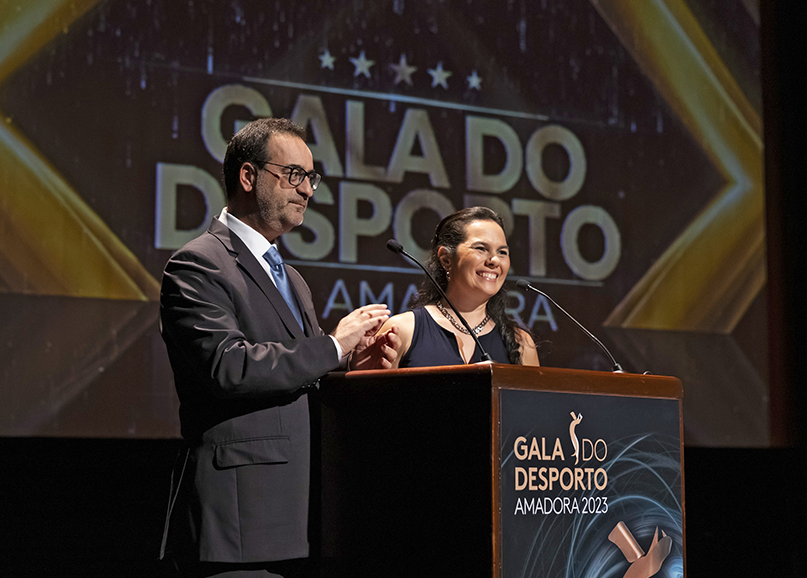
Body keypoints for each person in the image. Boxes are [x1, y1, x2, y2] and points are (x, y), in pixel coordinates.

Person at [159, 117, 397, 577]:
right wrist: (331, 346)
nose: (308, 191)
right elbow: (228, 368)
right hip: (241, 523)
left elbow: (301, 376)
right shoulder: (197, 264)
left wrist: (349, 366)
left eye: (312, 178)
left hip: (304, 518)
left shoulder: (293, 279)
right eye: (295, 175)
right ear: (248, 176)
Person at [354, 206, 539, 369]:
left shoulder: (520, 344)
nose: (494, 261)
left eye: (502, 252)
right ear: (446, 259)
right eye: (481, 248)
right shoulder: (402, 330)